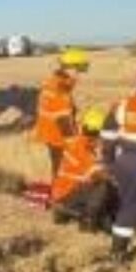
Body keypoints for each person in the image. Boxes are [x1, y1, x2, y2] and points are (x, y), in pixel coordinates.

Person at [101, 64, 136, 262]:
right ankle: (118, 255)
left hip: (125, 161)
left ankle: (118, 253)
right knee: (131, 207)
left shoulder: (123, 105)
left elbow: (108, 136)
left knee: (129, 204)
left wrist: (109, 163)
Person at [52, 107, 117, 231]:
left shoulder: (80, 142)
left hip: (66, 193)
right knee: (104, 187)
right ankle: (87, 220)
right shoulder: (85, 149)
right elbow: (98, 176)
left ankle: (64, 212)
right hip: (67, 195)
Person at [33, 48, 89, 179]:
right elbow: (63, 122)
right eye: (78, 70)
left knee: (58, 168)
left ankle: (58, 193)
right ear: (69, 68)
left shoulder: (53, 81)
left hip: (50, 134)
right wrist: (77, 146)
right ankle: (60, 196)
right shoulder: (60, 89)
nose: (79, 75)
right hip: (57, 137)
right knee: (64, 171)